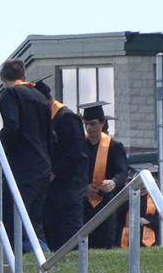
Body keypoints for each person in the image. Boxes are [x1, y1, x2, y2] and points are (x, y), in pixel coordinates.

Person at [0, 58, 51, 242]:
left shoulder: (10, 95)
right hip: (43, 166)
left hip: (22, 167)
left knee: (13, 222)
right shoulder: (40, 96)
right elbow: (50, 135)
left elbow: (12, 127)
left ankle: (14, 267)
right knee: (34, 222)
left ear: (3, 77)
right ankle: (44, 265)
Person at [35, 81, 88, 251]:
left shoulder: (66, 117)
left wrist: (55, 171)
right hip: (54, 186)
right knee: (51, 227)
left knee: (68, 228)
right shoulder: (47, 119)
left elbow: (76, 152)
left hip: (70, 184)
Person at [81, 102, 128, 248]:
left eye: (93, 124)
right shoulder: (79, 146)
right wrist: (84, 188)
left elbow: (122, 172)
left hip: (107, 202)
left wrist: (113, 182)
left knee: (106, 241)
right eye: (86, 124)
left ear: (102, 123)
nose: (89, 128)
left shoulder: (114, 146)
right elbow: (72, 173)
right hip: (83, 202)